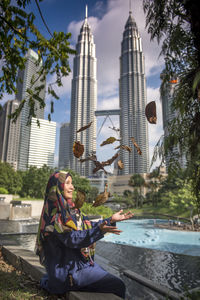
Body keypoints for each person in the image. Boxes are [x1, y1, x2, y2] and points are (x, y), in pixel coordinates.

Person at [35, 170, 133, 299]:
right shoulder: (56, 215)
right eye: (68, 183)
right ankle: (54, 282)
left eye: (72, 183)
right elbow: (73, 239)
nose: (73, 187)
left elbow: (87, 226)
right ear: (57, 187)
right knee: (118, 285)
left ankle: (50, 281)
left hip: (78, 264)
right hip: (70, 272)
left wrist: (110, 220)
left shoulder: (70, 211)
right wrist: (100, 230)